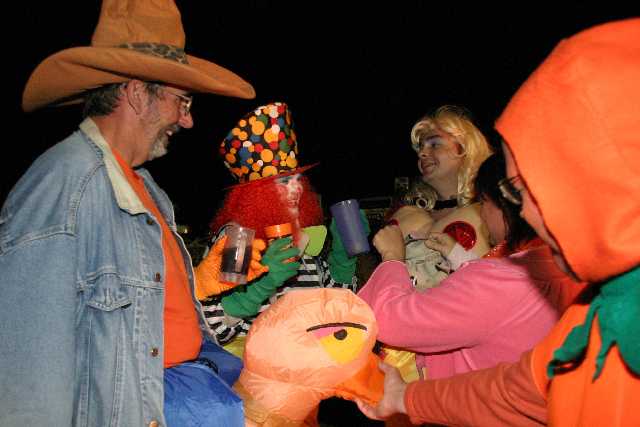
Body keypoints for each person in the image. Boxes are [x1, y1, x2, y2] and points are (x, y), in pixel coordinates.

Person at [356, 18, 640, 426]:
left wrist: (393, 259)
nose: (522, 211)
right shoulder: (589, 311)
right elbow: (521, 389)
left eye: (523, 187)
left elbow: (446, 309)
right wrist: (408, 398)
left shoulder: (522, 274)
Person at [0, 1, 259, 426]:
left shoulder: (145, 188)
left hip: (180, 397)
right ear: (138, 93)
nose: (187, 120)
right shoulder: (65, 184)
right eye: (183, 101)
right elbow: (29, 367)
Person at [359, 153, 581, 382]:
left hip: (456, 398)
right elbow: (490, 306)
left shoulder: (500, 282)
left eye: (484, 202)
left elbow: (393, 322)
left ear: (507, 203)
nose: (481, 213)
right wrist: (458, 256)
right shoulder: (562, 267)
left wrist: (392, 257)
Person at [197, 101, 366, 357]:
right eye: (285, 181)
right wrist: (257, 288)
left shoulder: (301, 237)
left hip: (311, 362)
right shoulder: (239, 239)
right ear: (257, 194)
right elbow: (212, 328)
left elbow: (334, 308)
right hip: (259, 368)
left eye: (298, 179)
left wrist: (343, 260)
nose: (297, 188)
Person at [396, 105, 494, 284]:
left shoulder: (495, 211)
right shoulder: (408, 214)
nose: (422, 153)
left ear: (465, 148)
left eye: (434, 144)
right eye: (421, 148)